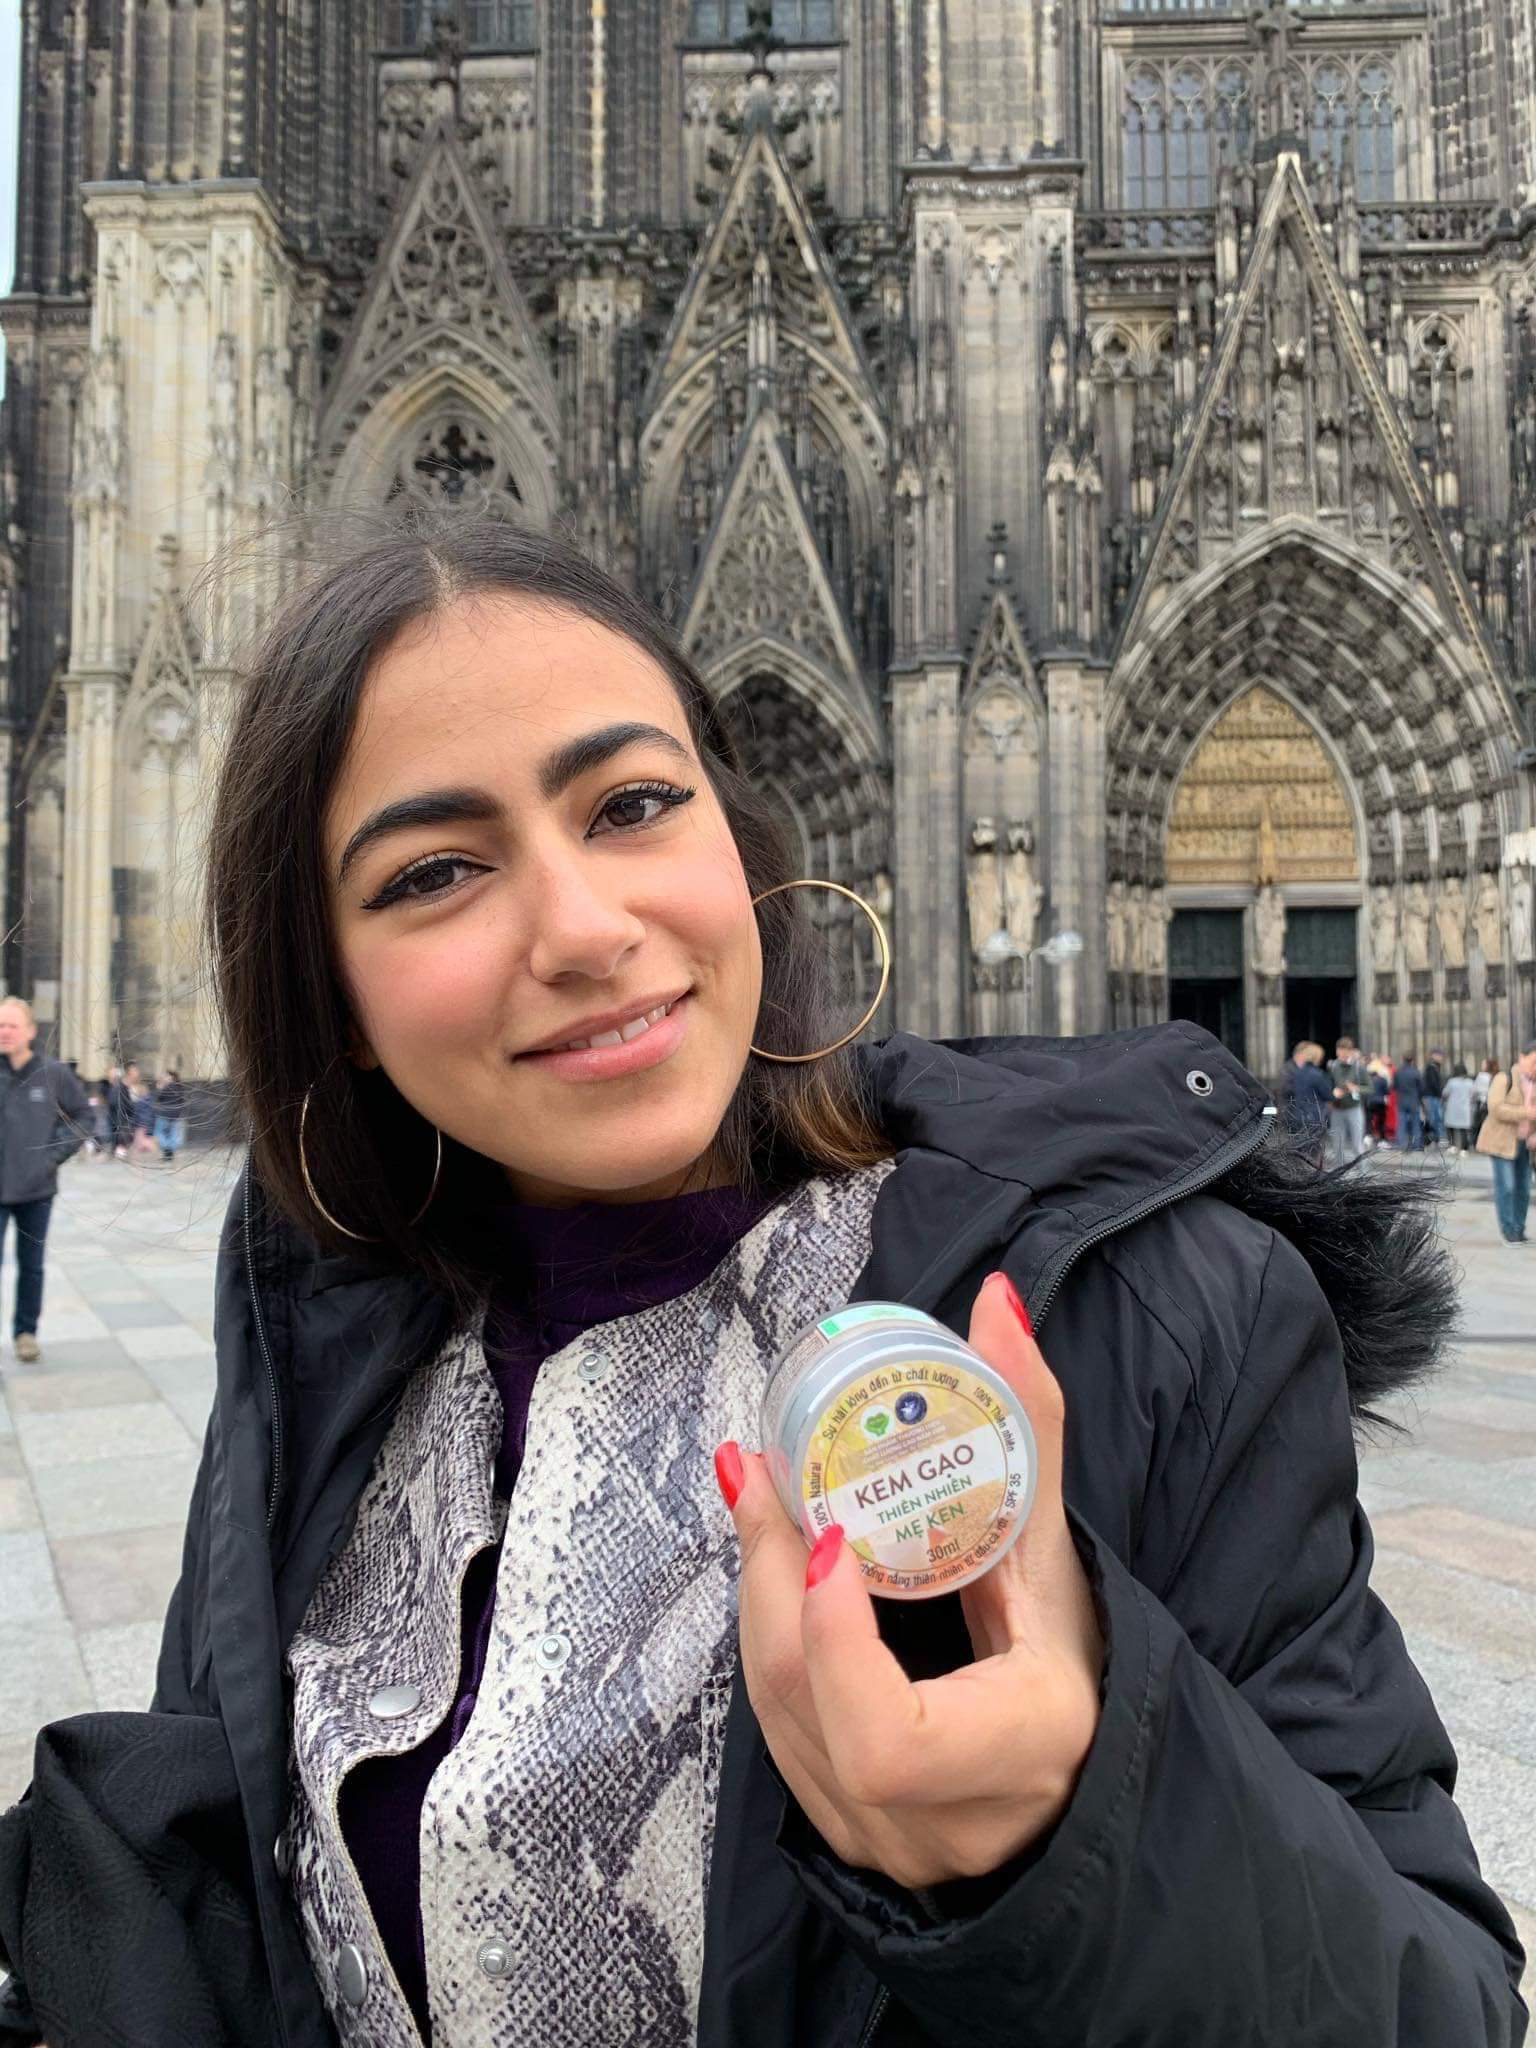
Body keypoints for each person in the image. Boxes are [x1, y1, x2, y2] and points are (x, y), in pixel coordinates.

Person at [0, 517, 1522, 2047]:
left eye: (634, 804)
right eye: (437, 871)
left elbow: (1443, 2013)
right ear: (330, 991)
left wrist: (1087, 1831)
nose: (584, 930)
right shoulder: (319, 1336)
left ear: (739, 840)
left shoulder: (1152, 1316)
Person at [0, 997, 90, 1363]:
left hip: (36, 1190)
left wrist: (52, 1158)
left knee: (31, 1266)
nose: (5, 1032)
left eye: (12, 1025)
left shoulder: (54, 1074)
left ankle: (26, 1333)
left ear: (30, 1031)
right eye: (0, 1025)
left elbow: (84, 1117)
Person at [1475, 1040, 1536, 1245]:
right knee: (1507, 1186)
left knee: (1524, 1188)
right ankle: (1508, 1231)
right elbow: (1496, 1108)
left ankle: (1519, 1229)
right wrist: (1525, 1113)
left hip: (1525, 1144)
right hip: (1501, 1141)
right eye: (1534, 1061)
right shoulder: (1504, 1078)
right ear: (1522, 1058)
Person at [1327, 1034, 1370, 1163]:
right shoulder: (1333, 1066)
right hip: (1337, 1110)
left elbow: (1370, 1088)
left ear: (1351, 1052)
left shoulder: (1358, 1068)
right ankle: (1339, 1173)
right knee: (1337, 1147)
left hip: (1354, 1109)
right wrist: (1332, 1093)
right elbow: (1328, 1085)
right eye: (1339, 1051)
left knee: (1357, 1145)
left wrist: (1356, 1088)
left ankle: (1363, 1172)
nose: (1342, 1054)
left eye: (1345, 1051)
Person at [153, 1070, 187, 1161]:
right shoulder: (180, 1087)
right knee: (172, 1135)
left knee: (158, 1133)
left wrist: (159, 1088)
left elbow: (158, 1098)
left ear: (171, 1078)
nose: (163, 1077)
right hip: (176, 1116)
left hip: (164, 1115)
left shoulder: (168, 1087)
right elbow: (182, 1101)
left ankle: (167, 1149)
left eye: (166, 1076)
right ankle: (169, 1153)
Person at [103, 1063, 134, 1160]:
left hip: (118, 1115)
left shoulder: (118, 1087)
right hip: (115, 1115)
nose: (109, 1076)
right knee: (114, 1133)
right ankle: (115, 1150)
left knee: (118, 1133)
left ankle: (117, 1151)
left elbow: (119, 1103)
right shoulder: (113, 1086)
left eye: (111, 1074)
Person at [1394, 1051, 1424, 1150]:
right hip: (1414, 1101)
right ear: (1412, 1060)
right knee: (1415, 1124)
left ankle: (1401, 1144)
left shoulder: (1398, 1072)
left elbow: (1394, 1086)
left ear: (1403, 1059)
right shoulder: (1416, 1072)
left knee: (1401, 1123)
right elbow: (1421, 1088)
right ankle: (1416, 1144)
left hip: (1401, 1100)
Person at [1443, 1063, 1477, 1153]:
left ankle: (1453, 1146)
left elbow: (1445, 1093)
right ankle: (1464, 1149)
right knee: (1464, 1129)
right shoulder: (1470, 1082)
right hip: (1464, 1108)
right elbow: (1474, 1094)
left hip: (1452, 1108)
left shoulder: (1451, 1082)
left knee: (1451, 1127)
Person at [1422, 1049, 1447, 1147]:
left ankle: (1436, 1138)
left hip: (1432, 1096)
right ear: (1434, 1056)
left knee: (1435, 1118)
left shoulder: (1435, 1067)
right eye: (1440, 1056)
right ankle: (1437, 1138)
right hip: (1432, 1096)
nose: (1441, 1058)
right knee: (1435, 1118)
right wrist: (1440, 1093)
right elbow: (1433, 1083)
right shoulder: (1432, 1068)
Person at [1366, 1054, 1392, 1147]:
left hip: (1370, 1102)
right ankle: (1382, 1140)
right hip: (1380, 1102)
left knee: (1369, 1120)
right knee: (1381, 1122)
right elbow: (1387, 1092)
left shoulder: (1368, 1080)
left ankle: (1368, 1136)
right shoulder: (1383, 1080)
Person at [1474, 1056, 1498, 1144]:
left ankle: (1481, 1142)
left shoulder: (1481, 1076)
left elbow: (1475, 1089)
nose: (1482, 1066)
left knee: (1480, 1123)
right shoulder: (1496, 1076)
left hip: (1482, 1101)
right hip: (1492, 1102)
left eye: (1483, 1064)